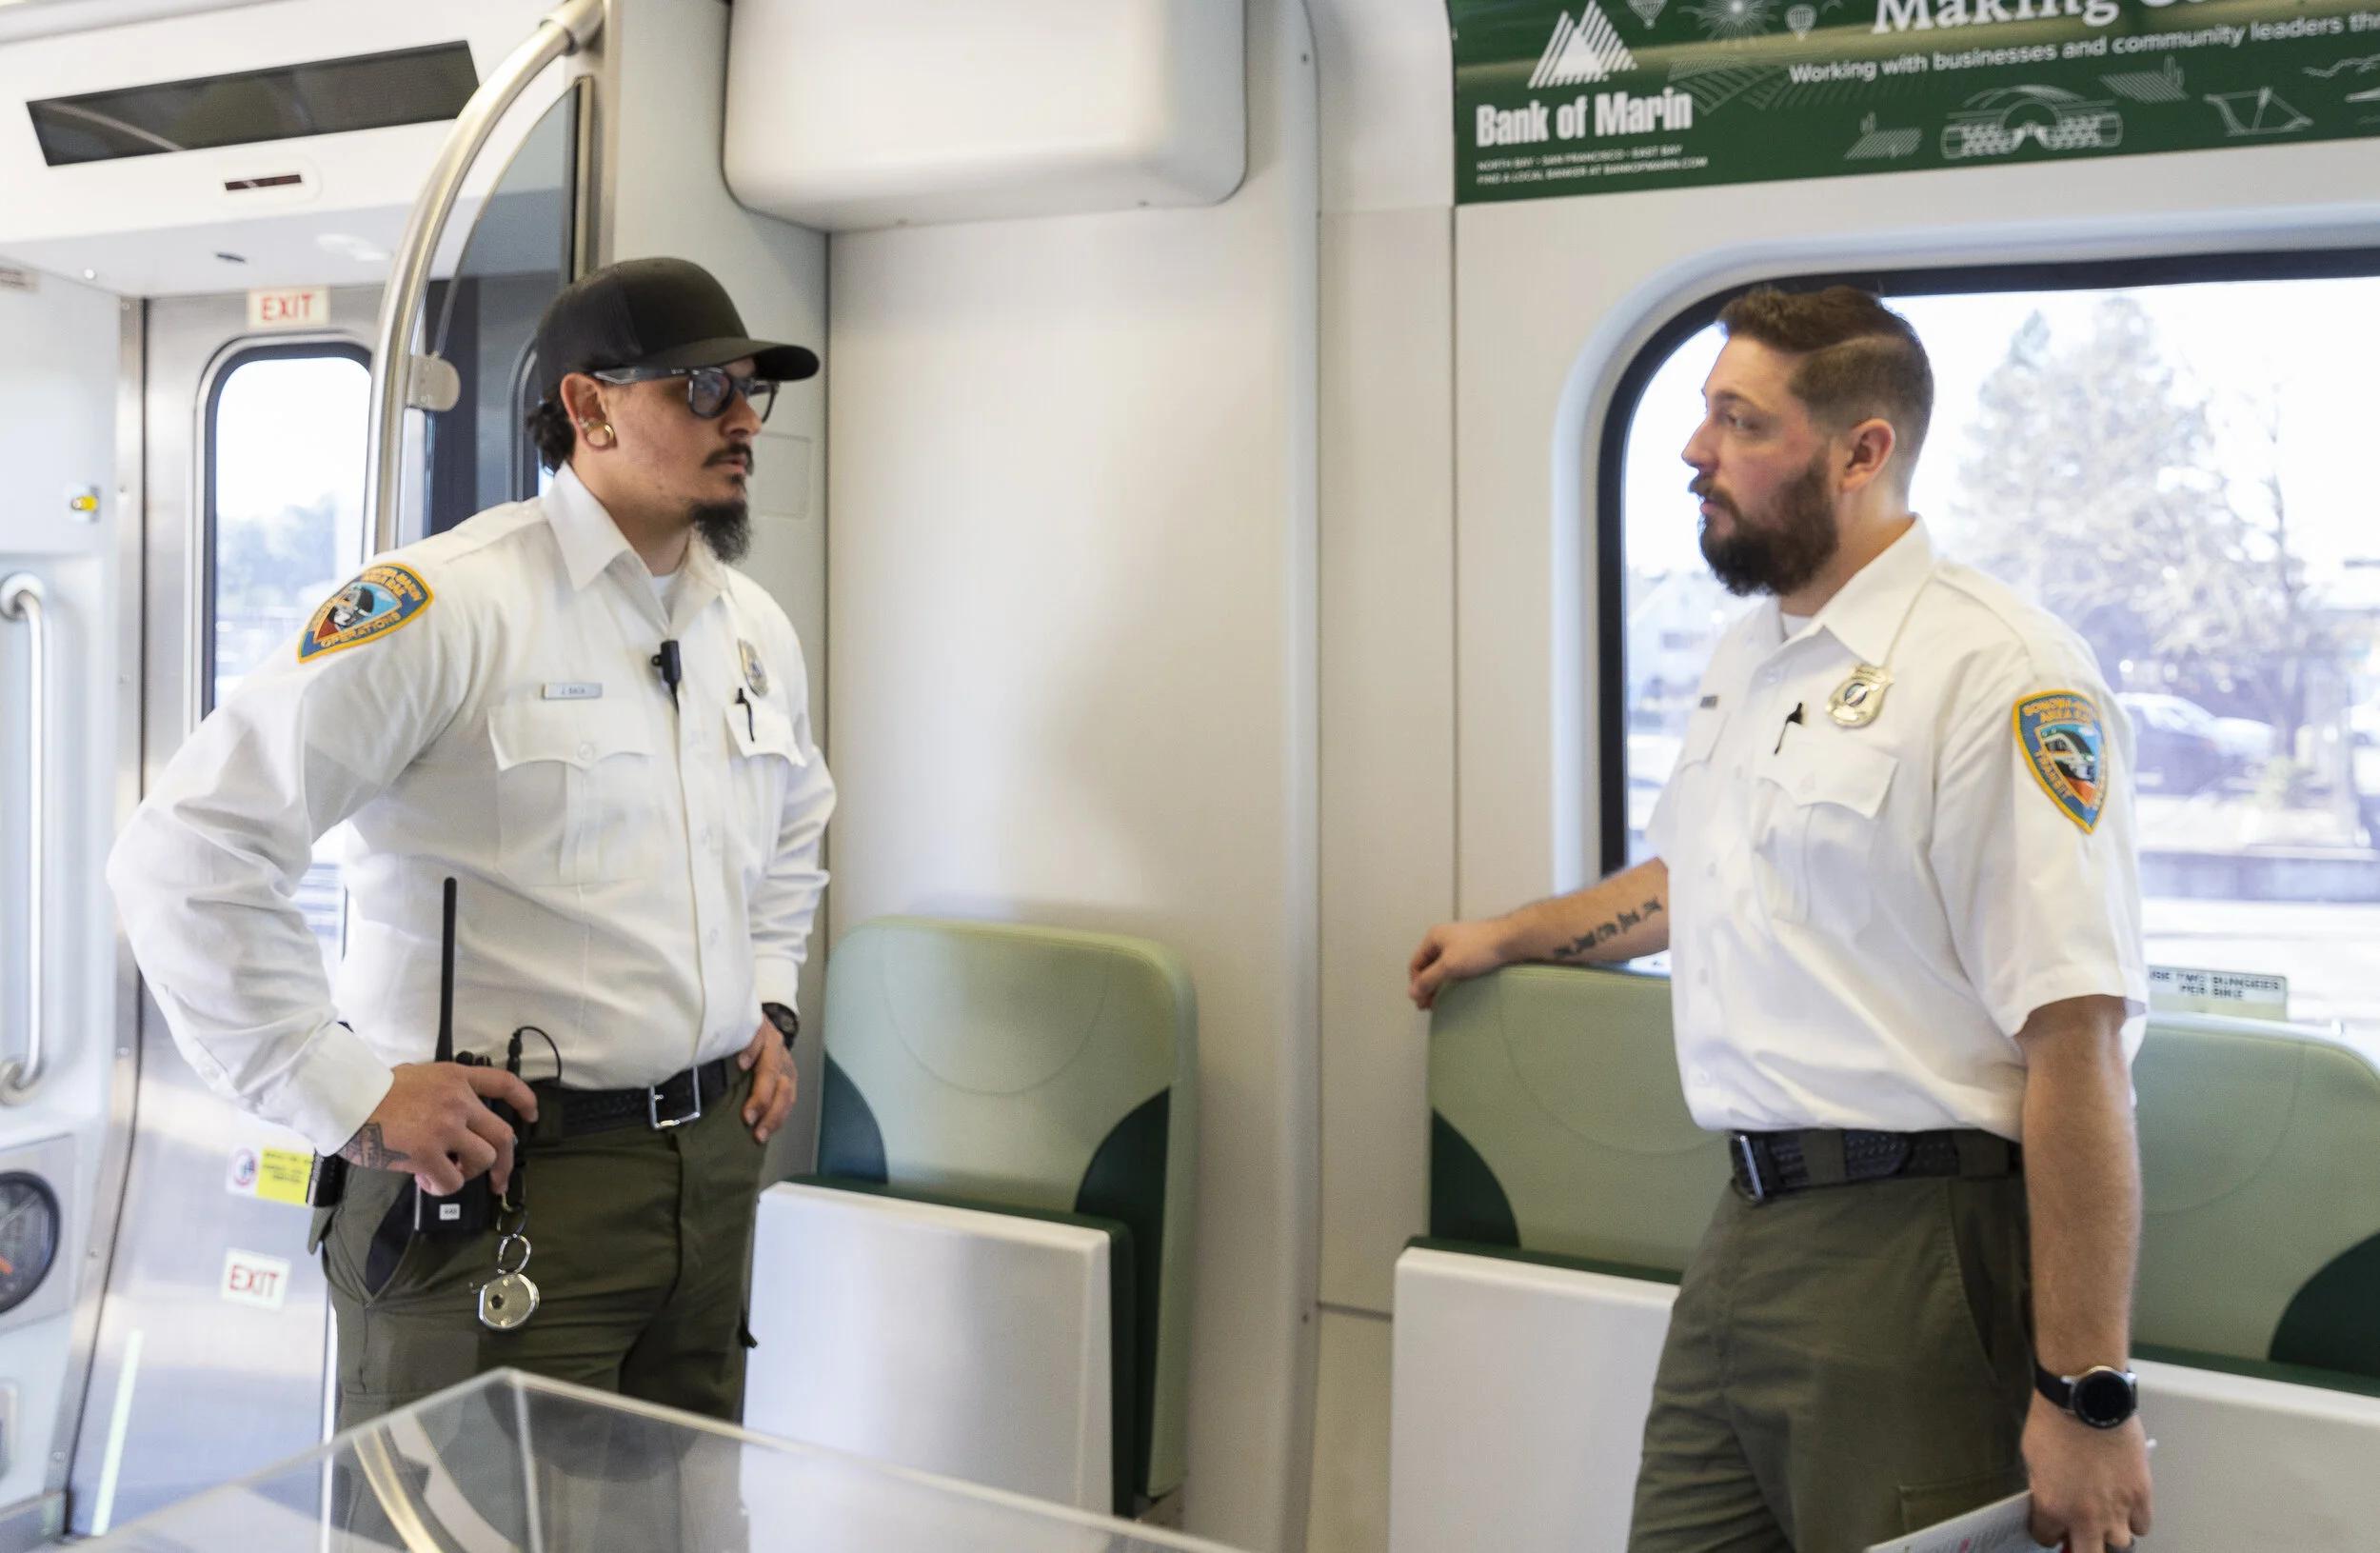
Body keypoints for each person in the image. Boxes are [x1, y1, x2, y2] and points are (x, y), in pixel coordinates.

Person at [1407, 287, 2152, 1553]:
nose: (1694, 448)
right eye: (1702, 412)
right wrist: (1513, 933)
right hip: (1748, 1224)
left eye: (1739, 420)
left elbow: (2075, 1040)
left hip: (1918, 1241)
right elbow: (1703, 877)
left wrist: (2086, 1390)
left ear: (1861, 452)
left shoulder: (2002, 671)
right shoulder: (1749, 656)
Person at [109, 256, 834, 1427]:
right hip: (501, 1188)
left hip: (704, 1183)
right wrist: (347, 1091)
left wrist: (767, 997)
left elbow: (793, 824)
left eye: (753, 390)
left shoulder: (748, 628)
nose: (743, 417)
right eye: (702, 388)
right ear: (589, 407)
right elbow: (189, 851)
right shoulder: (446, 605)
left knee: (674, 1524)